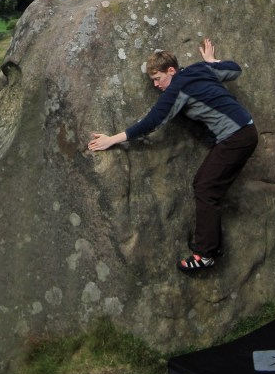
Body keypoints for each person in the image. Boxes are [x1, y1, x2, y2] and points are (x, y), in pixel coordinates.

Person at [88, 38, 258, 274]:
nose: (156, 85)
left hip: (235, 138)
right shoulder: (200, 69)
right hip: (246, 131)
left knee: (205, 187)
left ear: (171, 71)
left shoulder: (178, 87)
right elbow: (234, 69)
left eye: (158, 79)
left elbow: (153, 121)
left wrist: (112, 139)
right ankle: (212, 245)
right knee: (209, 188)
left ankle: (205, 254)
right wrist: (211, 61)